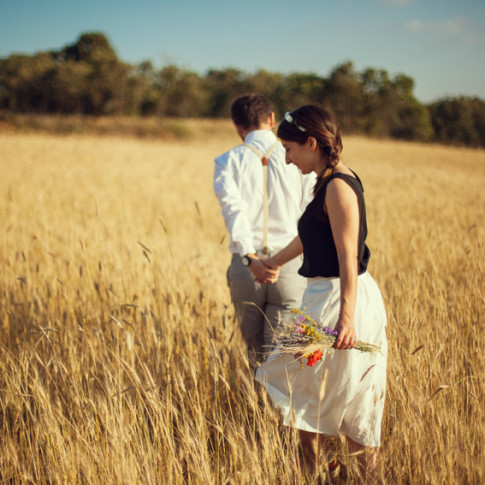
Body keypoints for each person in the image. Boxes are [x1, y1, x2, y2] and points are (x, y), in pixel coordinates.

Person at [255, 105, 388, 481]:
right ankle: (321, 473)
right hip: (327, 297)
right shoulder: (328, 181)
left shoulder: (339, 186)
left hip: (340, 300)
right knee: (311, 394)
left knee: (341, 400)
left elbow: (348, 258)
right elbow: (312, 235)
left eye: (289, 148)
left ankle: (344, 476)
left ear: (311, 143)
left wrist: (346, 320)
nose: (286, 157)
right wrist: (276, 261)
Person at [214, 94, 314, 362]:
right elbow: (309, 214)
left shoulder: (226, 161)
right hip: (292, 264)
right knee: (283, 358)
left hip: (247, 269)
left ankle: (256, 405)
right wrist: (280, 261)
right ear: (271, 120)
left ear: (237, 126)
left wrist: (251, 259)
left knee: (255, 355)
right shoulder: (299, 155)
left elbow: (233, 212)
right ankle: (280, 405)